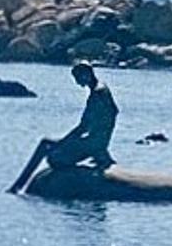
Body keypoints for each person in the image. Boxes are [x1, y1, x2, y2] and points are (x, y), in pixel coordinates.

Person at [11, 61, 118, 193]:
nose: (77, 82)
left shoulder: (97, 94)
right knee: (50, 146)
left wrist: (63, 143)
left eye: (77, 77)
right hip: (98, 143)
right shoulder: (103, 89)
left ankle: (17, 186)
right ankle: (18, 185)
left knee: (48, 149)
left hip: (93, 144)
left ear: (86, 74)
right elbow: (113, 113)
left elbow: (83, 127)